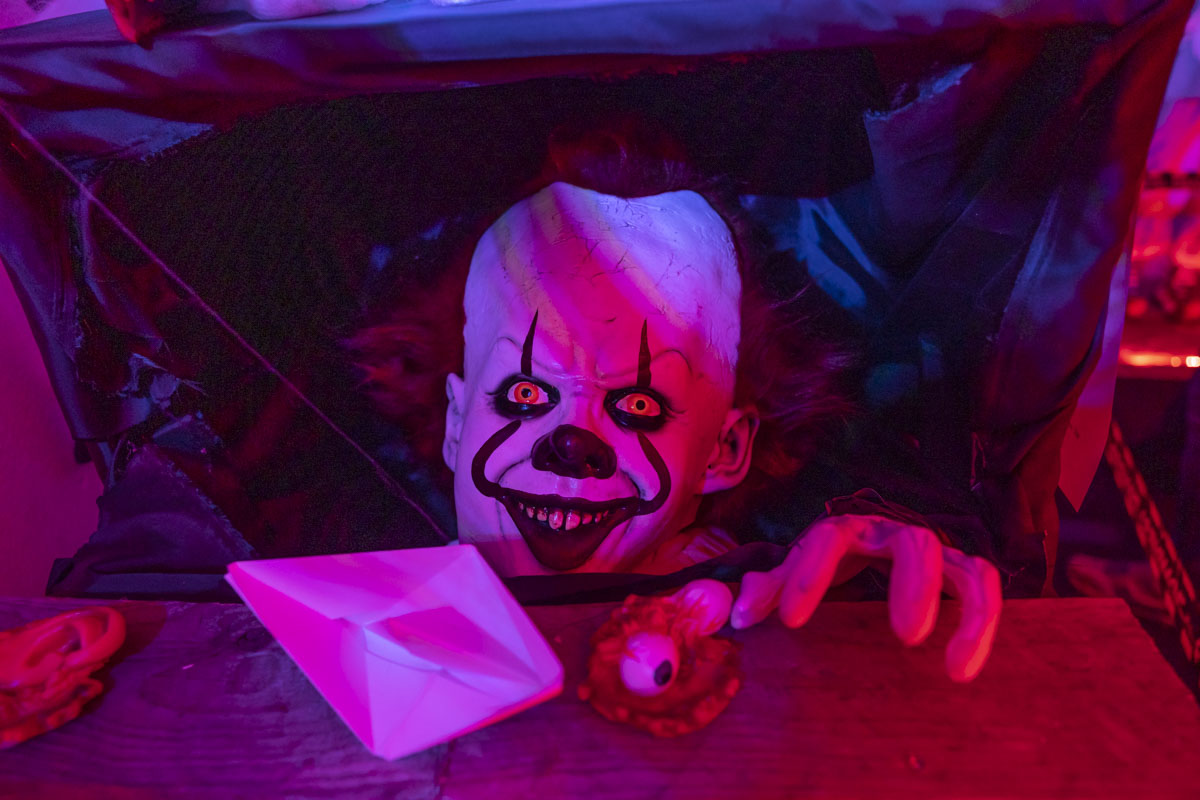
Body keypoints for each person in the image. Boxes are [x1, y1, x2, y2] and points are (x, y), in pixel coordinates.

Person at [352, 120, 1001, 682]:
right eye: (524, 394)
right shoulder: (359, 599)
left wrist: (867, 591)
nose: (571, 446)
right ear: (457, 420)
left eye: (637, 406)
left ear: (725, 449)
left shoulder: (747, 594)